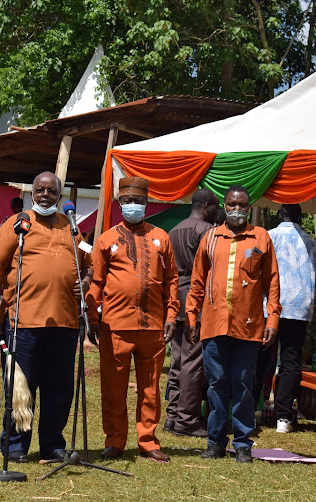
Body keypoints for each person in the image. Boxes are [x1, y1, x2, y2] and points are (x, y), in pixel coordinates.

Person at [0, 171, 93, 463]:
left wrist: (88, 281)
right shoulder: (17, 225)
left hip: (65, 324)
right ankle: (16, 446)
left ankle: (52, 445)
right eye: (40, 190)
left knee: (59, 391)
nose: (46, 195)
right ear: (32, 193)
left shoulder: (71, 227)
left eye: (51, 191)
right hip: (23, 323)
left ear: (59, 195)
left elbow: (88, 265)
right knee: (21, 388)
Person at [185, 185, 281, 462]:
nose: (237, 209)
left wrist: (272, 318)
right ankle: (215, 441)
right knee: (216, 383)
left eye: (242, 205)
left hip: (248, 325)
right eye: (232, 204)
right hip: (214, 324)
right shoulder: (211, 238)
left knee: (243, 384)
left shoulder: (261, 237)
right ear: (224, 206)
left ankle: (242, 442)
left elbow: (272, 282)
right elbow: (197, 281)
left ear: (249, 207)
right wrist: (192, 316)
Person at [88, 177, 179, 463]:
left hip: (152, 326)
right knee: (113, 387)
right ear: (119, 203)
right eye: (127, 201)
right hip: (114, 325)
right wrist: (92, 316)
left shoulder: (162, 238)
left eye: (138, 201)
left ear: (147, 203)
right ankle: (114, 441)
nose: (133, 206)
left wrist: (172, 314)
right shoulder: (105, 240)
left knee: (150, 388)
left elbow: (172, 280)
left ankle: (148, 441)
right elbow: (97, 281)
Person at [258, 204, 316, 434]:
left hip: (270, 306)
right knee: (291, 360)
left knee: (263, 356)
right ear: (301, 217)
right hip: (299, 308)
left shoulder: (267, 236)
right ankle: (283, 417)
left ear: (279, 215)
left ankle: (256, 407)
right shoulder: (311, 242)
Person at [164, 188, 219, 437]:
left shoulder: (173, 231)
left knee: (177, 361)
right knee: (193, 363)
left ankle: (172, 416)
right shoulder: (207, 232)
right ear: (206, 206)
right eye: (216, 207)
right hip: (195, 304)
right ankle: (186, 421)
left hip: (176, 301)